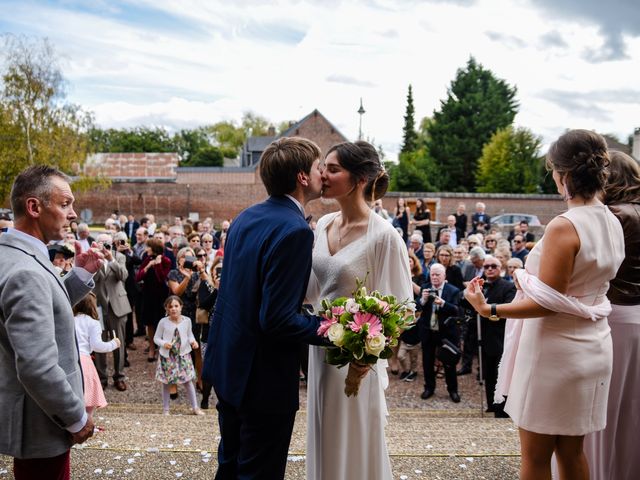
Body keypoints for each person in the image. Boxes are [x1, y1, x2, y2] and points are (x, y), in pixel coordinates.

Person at [464, 129, 625, 480]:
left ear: (564, 175)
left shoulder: (564, 227)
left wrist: (489, 309)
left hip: (555, 351)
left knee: (536, 457)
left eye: (553, 171)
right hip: (594, 345)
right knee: (572, 451)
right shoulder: (612, 221)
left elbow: (549, 302)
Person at [202, 137, 327, 480]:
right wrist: (334, 329)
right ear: (303, 177)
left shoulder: (246, 216)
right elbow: (277, 319)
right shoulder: (296, 231)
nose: (323, 175)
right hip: (262, 379)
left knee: (229, 466)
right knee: (259, 473)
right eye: (319, 168)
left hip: (229, 364)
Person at [305, 140, 413, 480]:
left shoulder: (384, 237)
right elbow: (310, 291)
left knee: (352, 440)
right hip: (319, 349)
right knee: (325, 436)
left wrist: (365, 358)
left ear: (361, 179)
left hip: (357, 360)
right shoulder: (323, 225)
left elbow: (401, 309)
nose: (323, 174)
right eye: (324, 167)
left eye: (333, 169)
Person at [0, 165, 103, 479]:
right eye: (64, 204)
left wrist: (81, 275)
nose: (73, 214)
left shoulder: (13, 256)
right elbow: (37, 366)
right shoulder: (26, 272)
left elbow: (46, 309)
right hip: (42, 422)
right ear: (34, 207)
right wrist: (75, 418)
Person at [583, 150, 640, 480]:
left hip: (614, 315)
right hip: (636, 316)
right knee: (633, 410)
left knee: (603, 408)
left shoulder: (614, 216)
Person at [463, 255, 516, 416]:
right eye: (486, 267)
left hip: (500, 337)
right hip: (483, 338)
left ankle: (502, 408)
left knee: (501, 373)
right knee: (488, 373)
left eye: (493, 266)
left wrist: (487, 309)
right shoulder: (481, 286)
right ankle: (491, 404)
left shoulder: (508, 287)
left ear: (501, 268)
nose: (490, 269)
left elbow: (508, 308)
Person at [93, 232, 131, 392]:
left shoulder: (119, 257)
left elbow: (123, 276)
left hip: (118, 305)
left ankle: (119, 376)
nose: (105, 246)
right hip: (98, 306)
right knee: (98, 343)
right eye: (102, 243)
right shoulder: (92, 257)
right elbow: (90, 280)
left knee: (118, 343)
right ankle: (101, 377)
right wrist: (96, 260)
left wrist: (110, 259)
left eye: (107, 243)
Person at [418, 263, 462, 402]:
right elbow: (417, 307)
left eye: (438, 274)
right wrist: (423, 300)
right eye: (432, 274)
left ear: (444, 276)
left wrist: (443, 303)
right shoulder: (425, 288)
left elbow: (457, 310)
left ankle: (453, 390)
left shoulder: (453, 290)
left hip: (446, 332)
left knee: (449, 363)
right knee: (427, 361)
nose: (435, 277)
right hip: (428, 331)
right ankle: (429, 388)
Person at [73, 293, 120, 419]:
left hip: (71, 360)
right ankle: (87, 422)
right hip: (85, 360)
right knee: (88, 394)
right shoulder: (93, 323)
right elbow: (97, 346)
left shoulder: (70, 319)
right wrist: (113, 344)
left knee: (75, 392)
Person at [154, 295, 203, 415]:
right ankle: (166, 409)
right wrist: (164, 343)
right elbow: (156, 338)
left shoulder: (187, 321)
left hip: (183, 355)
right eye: (170, 307)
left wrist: (193, 341)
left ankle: (195, 407)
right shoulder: (163, 322)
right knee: (167, 382)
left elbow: (189, 334)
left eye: (176, 306)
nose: (173, 309)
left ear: (181, 307)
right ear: (166, 308)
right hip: (168, 356)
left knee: (188, 380)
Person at [135, 238, 171, 362]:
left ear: (154, 248)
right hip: (148, 295)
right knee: (149, 323)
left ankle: (162, 348)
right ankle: (151, 348)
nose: (146, 249)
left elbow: (162, 278)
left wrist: (158, 264)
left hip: (161, 297)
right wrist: (148, 266)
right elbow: (138, 277)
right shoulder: (147, 260)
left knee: (161, 322)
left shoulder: (166, 261)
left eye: (148, 247)